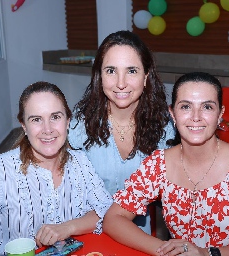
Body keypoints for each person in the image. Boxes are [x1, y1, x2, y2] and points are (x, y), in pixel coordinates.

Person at [103, 72, 229, 256]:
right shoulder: (158, 165)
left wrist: (207, 254)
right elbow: (113, 218)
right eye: (186, 106)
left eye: (207, 107)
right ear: (172, 113)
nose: (196, 117)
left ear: (220, 114)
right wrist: (165, 251)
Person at [0, 81, 113, 255]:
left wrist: (67, 228)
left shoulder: (81, 162)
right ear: (24, 126)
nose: (47, 129)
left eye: (55, 117)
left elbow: (107, 213)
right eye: (36, 119)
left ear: (68, 121)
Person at [68, 30, 174, 234]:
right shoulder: (81, 124)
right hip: (86, 230)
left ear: (146, 77)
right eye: (111, 71)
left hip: (136, 234)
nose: (121, 83)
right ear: (99, 76)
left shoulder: (163, 127)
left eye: (131, 71)